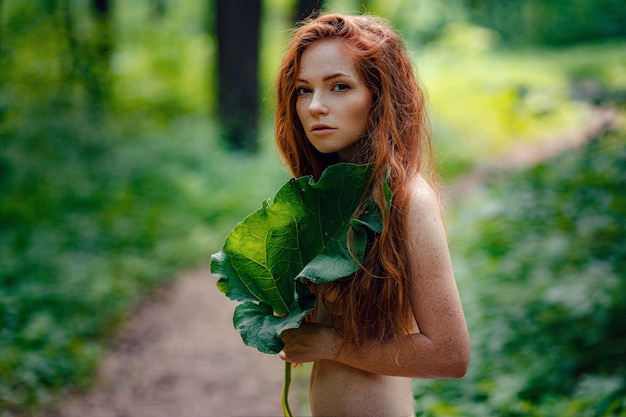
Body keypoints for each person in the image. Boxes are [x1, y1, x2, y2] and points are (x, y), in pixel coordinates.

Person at [274, 12, 470, 416]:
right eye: (303, 90)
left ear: (379, 96)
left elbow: (450, 355)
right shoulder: (327, 198)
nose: (315, 106)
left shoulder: (408, 199)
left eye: (339, 87)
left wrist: (333, 344)